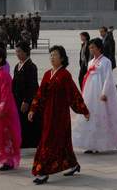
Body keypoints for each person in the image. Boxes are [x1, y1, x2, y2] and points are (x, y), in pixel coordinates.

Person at [28, 45, 90, 185]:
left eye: (55, 55)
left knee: (49, 142)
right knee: (63, 143)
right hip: (48, 115)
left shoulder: (65, 75)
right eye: (51, 55)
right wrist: (33, 109)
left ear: (62, 57)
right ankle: (73, 165)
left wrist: (83, 109)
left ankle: (43, 172)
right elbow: (40, 95)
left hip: (60, 116)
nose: (52, 57)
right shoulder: (46, 74)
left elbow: (74, 94)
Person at [72, 38, 117, 153]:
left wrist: (104, 92)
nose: (91, 50)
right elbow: (87, 78)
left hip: (100, 92)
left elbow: (108, 78)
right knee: (90, 114)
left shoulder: (106, 61)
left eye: (93, 47)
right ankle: (90, 144)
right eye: (90, 48)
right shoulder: (90, 62)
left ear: (99, 48)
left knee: (101, 115)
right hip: (90, 93)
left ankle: (100, 144)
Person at [12, 41, 41, 148]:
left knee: (28, 121)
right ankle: (21, 140)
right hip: (17, 98)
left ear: (25, 52)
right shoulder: (17, 66)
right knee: (20, 120)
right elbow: (14, 83)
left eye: (19, 51)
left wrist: (27, 101)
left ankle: (31, 142)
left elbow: (32, 86)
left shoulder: (31, 67)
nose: (17, 54)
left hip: (27, 99)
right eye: (16, 51)